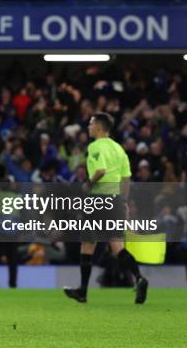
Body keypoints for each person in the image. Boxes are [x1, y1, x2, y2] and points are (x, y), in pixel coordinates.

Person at [64, 112, 149, 304]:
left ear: (100, 127)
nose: (88, 127)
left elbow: (100, 171)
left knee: (87, 244)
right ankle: (139, 277)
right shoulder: (119, 149)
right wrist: (124, 203)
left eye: (91, 124)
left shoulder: (95, 147)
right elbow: (126, 178)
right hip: (116, 200)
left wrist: (88, 184)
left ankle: (83, 292)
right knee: (117, 246)